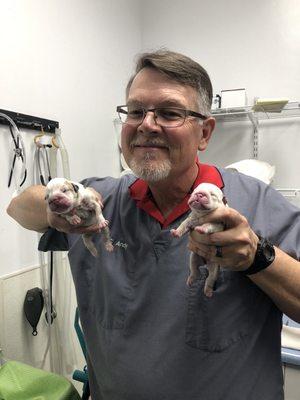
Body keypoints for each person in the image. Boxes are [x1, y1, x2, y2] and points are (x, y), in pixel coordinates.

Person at [7, 49, 300, 400]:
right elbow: (17, 208)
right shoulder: (97, 201)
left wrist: (258, 258)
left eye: (169, 113)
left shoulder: (258, 203)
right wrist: (50, 206)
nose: (146, 124)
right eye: (135, 111)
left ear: (205, 133)